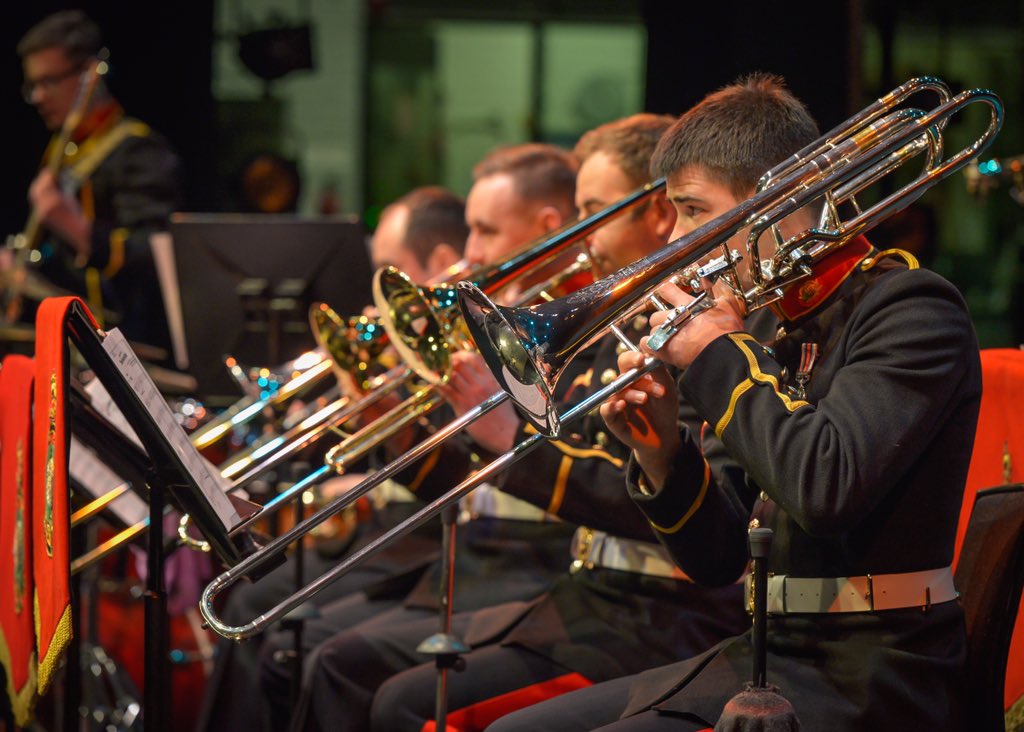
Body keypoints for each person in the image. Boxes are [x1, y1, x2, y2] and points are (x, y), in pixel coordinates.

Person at [492, 73, 981, 731]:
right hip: (768, 652)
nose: (675, 242)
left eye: (693, 211)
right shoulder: (766, 329)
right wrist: (663, 453)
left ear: (777, 200)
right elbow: (717, 561)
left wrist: (717, 357)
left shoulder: (911, 309)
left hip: (883, 667)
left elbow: (825, 489)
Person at [358, 112, 752, 732]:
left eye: (594, 212)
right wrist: (409, 429)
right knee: (360, 670)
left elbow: (632, 491)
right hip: (588, 595)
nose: (580, 236)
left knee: (393, 695)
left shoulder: (708, 331)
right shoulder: (609, 328)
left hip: (662, 613)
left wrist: (510, 437)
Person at [255, 142, 586, 732]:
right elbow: (456, 476)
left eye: (484, 231)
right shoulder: (491, 321)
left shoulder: (563, 328)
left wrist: (501, 430)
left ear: (548, 226)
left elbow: (518, 475)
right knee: (286, 629)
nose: (472, 253)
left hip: (527, 566)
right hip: (474, 553)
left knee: (329, 656)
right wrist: (400, 421)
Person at [195, 186, 469, 732]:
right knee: (255, 602)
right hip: (407, 531)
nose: (374, 307)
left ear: (437, 264)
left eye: (388, 270)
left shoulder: (463, 335)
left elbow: (457, 467)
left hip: (448, 548)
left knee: (299, 638)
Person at [8, 9, 182, 354]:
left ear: (90, 74)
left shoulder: (138, 150)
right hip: (66, 344)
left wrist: (72, 225)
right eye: (33, 85)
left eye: (49, 82)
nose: (39, 97)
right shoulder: (63, 150)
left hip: (124, 350)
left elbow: (157, 260)